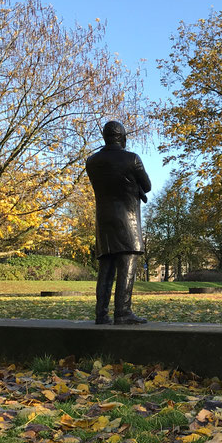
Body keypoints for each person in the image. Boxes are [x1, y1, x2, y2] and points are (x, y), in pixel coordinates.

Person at [85, 121, 151, 324]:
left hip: (103, 221)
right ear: (122, 136)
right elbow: (147, 186)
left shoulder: (92, 161)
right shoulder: (132, 159)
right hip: (127, 219)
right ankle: (122, 312)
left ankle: (101, 313)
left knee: (106, 266)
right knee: (127, 263)